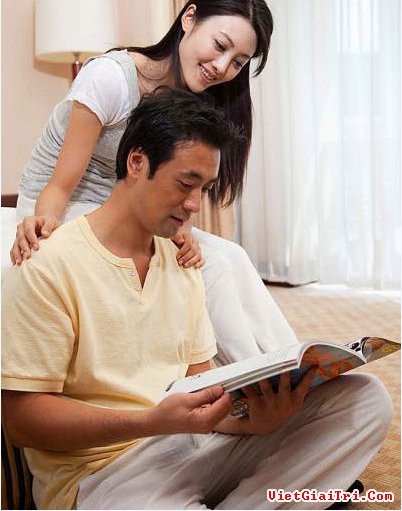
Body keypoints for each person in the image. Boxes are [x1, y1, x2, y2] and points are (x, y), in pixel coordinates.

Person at [2, 90, 392, 510]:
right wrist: (150, 422)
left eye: (203, 189)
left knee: (365, 400)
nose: (193, 205)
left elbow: (202, 393)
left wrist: (253, 423)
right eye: (186, 184)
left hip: (191, 448)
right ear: (137, 163)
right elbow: (22, 421)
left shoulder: (183, 261)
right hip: (105, 478)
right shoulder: (49, 265)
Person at [10, 0, 298, 364]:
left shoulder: (193, 97)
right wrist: (43, 229)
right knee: (210, 268)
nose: (222, 67)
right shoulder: (110, 78)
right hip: (64, 200)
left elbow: (170, 185)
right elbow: (59, 186)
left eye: (238, 62)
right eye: (220, 45)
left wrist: (183, 231)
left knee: (232, 256)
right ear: (189, 19)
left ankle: (295, 362)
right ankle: (258, 377)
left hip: (130, 206)